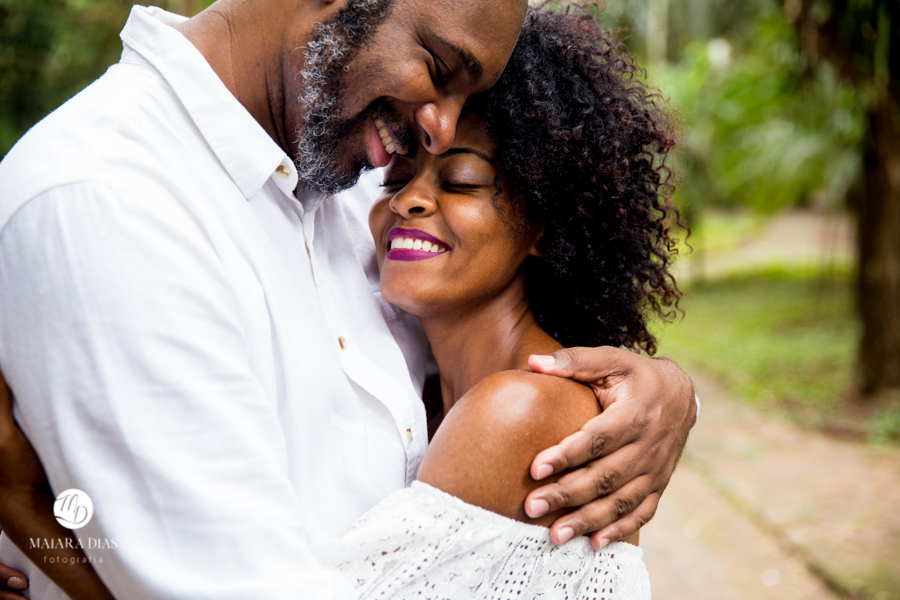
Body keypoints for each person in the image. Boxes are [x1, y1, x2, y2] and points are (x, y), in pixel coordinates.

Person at [0, 0, 697, 598]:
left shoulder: (347, 184)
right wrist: (32, 518)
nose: (440, 132)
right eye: (437, 67)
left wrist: (669, 394)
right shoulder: (110, 200)